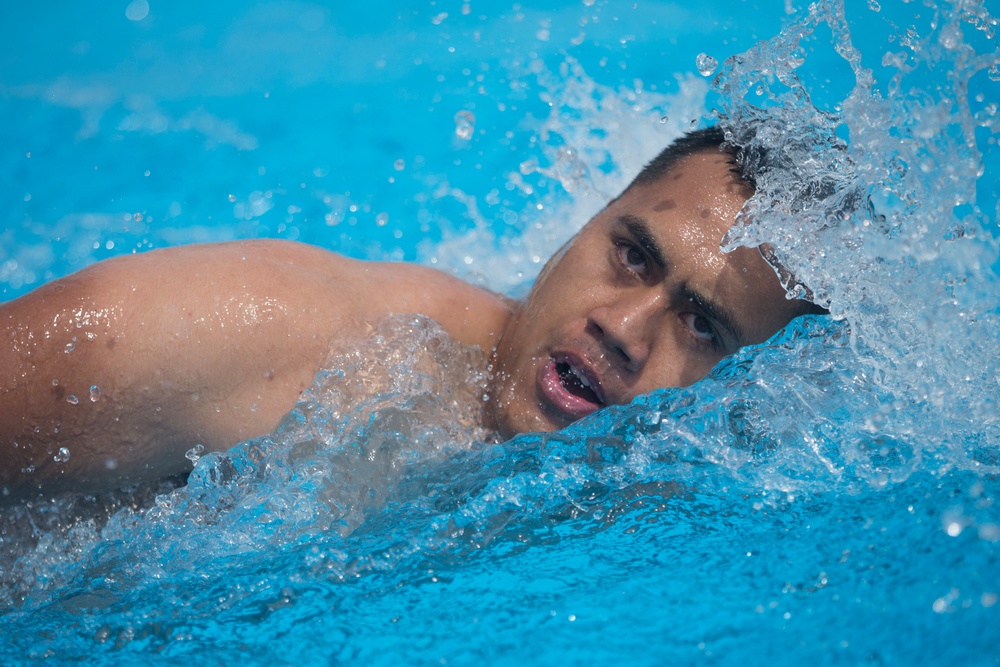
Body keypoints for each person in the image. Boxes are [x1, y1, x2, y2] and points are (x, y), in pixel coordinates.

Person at [0, 127, 824, 500]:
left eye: (701, 325)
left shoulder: (688, 489)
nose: (623, 326)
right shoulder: (290, 334)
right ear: (585, 220)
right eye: (633, 254)